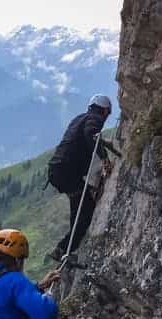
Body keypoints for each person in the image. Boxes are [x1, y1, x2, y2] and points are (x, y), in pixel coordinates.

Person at [46, 93, 114, 263]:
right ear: (105, 110)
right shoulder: (95, 120)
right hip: (67, 172)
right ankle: (64, 249)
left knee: (79, 207)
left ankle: (64, 250)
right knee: (86, 209)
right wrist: (104, 157)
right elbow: (91, 134)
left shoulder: (79, 118)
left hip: (58, 171)